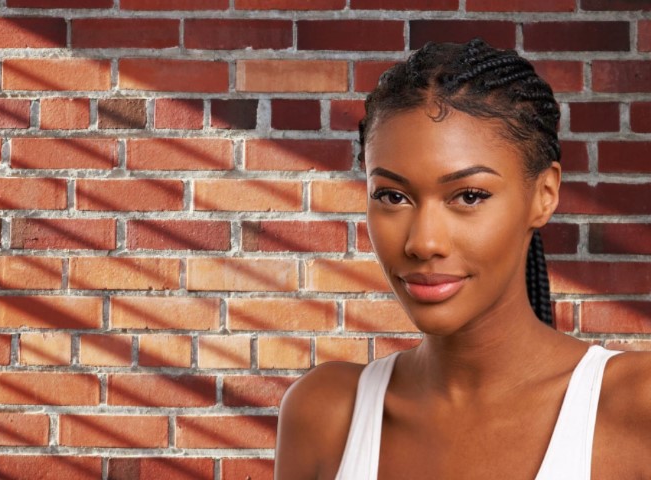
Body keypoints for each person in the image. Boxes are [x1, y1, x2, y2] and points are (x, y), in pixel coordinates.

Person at [273, 38, 651, 479]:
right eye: (393, 196)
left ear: (543, 195)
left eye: (469, 196)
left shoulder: (635, 407)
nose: (424, 242)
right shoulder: (325, 413)